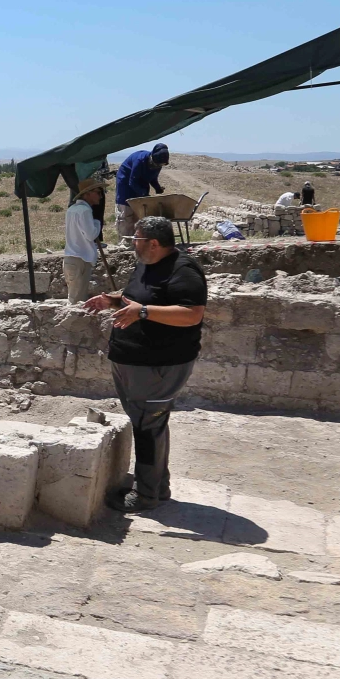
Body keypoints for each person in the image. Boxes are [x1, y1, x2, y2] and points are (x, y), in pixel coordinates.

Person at [83, 215, 207, 513]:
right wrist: (112, 301)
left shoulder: (184, 270)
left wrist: (144, 312)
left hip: (159, 363)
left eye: (136, 239)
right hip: (133, 360)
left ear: (153, 242)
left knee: (147, 427)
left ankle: (146, 495)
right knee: (149, 423)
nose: (132, 244)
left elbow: (192, 314)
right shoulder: (146, 264)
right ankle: (157, 486)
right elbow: (136, 299)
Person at [62, 178, 108, 304]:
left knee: (74, 299)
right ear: (87, 194)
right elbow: (90, 235)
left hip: (71, 259)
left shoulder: (72, 209)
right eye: (98, 192)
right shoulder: (85, 210)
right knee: (77, 303)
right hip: (80, 260)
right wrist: (97, 222)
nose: (100, 196)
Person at [114, 142, 169, 243]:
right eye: (156, 164)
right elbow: (132, 181)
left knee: (139, 215)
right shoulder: (139, 160)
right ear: (152, 157)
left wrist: (157, 188)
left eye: (160, 165)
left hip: (141, 185)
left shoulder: (158, 163)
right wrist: (144, 195)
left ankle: (136, 243)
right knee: (126, 215)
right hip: (125, 184)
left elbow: (153, 178)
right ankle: (124, 242)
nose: (157, 166)